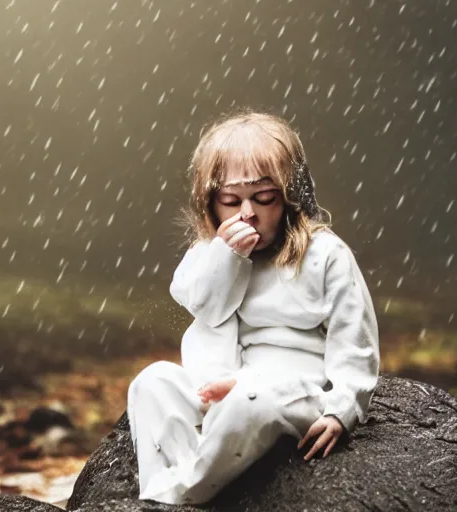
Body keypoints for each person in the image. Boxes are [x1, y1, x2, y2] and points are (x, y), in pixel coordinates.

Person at [127, 109, 380, 505]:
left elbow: (356, 341)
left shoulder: (326, 254)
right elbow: (205, 306)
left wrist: (342, 409)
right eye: (230, 201)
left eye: (263, 198)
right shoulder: (207, 254)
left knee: (251, 400)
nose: (247, 213)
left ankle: (180, 492)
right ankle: (183, 473)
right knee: (151, 382)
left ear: (291, 197)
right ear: (209, 205)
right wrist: (228, 257)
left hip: (290, 394)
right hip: (216, 391)